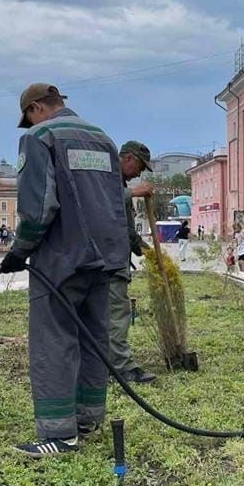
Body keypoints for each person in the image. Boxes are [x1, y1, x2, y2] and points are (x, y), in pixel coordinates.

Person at [0, 83, 129, 458]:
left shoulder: (42, 137)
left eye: (28, 118)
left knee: (53, 340)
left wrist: (19, 250)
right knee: (92, 336)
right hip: (105, 258)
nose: (28, 125)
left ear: (37, 108)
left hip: (61, 258)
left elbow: (39, 206)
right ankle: (88, 418)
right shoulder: (103, 140)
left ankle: (59, 434)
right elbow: (115, 200)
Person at [109, 140, 157, 385]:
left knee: (107, 316)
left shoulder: (118, 183)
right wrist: (133, 192)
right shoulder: (106, 179)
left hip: (112, 260)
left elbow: (127, 230)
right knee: (118, 314)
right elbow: (99, 202)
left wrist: (149, 253)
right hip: (106, 262)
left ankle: (103, 364)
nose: (140, 173)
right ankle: (121, 368)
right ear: (127, 158)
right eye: (140, 166)